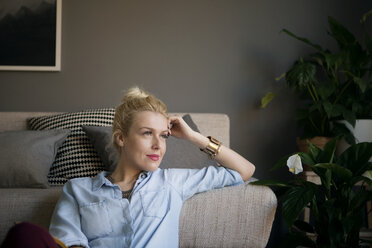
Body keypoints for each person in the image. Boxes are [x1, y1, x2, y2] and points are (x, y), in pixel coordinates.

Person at [39, 87, 255, 248]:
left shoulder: (172, 182)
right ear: (121, 138)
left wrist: (194, 137)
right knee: (23, 234)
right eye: (147, 133)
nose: (158, 145)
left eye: (163, 136)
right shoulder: (77, 190)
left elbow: (244, 170)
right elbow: (68, 241)